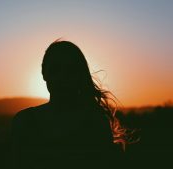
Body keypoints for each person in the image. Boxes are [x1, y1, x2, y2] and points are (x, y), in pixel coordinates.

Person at [11, 40, 127, 169]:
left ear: (79, 75)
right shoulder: (24, 122)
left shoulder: (95, 122)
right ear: (44, 73)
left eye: (70, 70)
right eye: (55, 69)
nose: (62, 77)